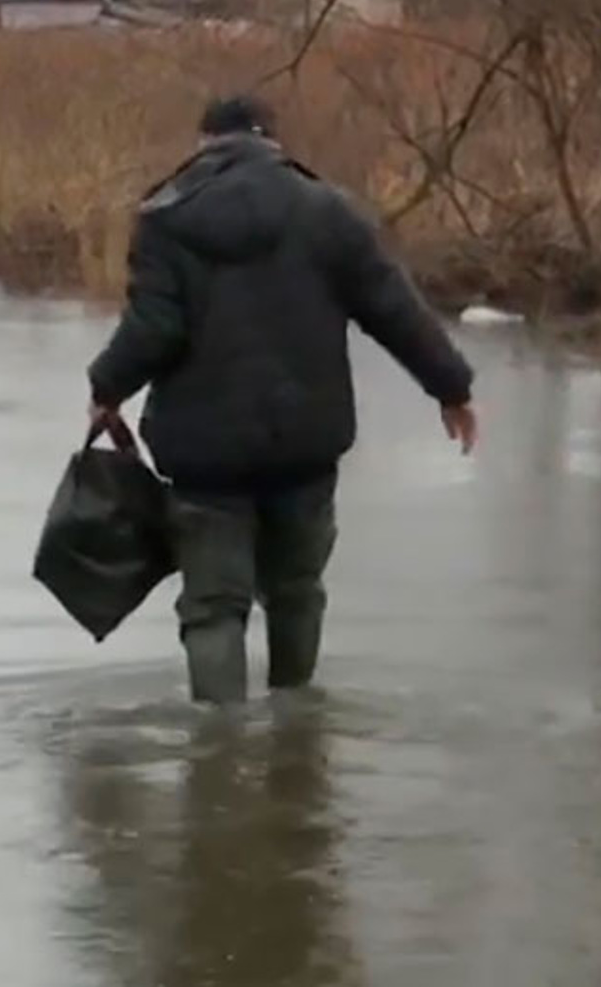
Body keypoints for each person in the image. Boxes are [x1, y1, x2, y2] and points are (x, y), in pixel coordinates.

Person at [86, 95, 478, 705]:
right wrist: (450, 386)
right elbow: (393, 308)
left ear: (204, 142)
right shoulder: (330, 213)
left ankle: (220, 747)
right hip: (305, 441)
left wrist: (106, 388)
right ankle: (297, 731)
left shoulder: (166, 220)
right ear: (272, 140)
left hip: (204, 452)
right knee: (297, 588)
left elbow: (154, 330)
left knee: (214, 605)